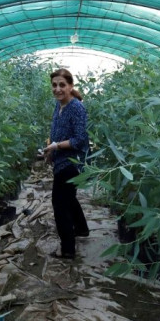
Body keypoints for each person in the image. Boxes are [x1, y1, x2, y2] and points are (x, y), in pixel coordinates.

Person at [43, 68, 90, 260]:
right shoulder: (59, 105)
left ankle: (68, 249)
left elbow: (80, 139)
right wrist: (50, 150)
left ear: (70, 86)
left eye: (62, 85)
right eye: (54, 85)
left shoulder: (76, 107)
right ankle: (81, 229)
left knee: (59, 203)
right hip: (60, 160)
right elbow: (56, 131)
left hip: (72, 163)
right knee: (69, 197)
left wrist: (55, 146)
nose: (57, 89)